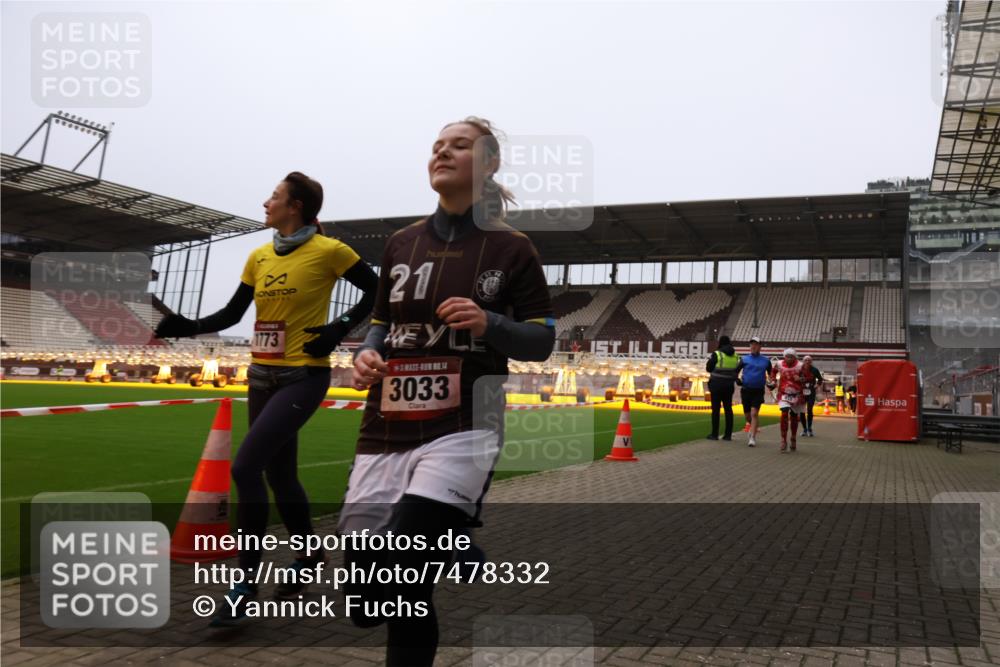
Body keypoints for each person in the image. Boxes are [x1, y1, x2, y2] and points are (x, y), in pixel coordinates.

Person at [341, 117, 556, 666]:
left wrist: (490, 324)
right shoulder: (399, 243)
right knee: (370, 597)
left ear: (488, 164)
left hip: (463, 426)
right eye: (436, 146)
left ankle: (445, 529)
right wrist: (367, 353)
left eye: (459, 146)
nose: (442, 153)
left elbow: (542, 339)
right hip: (384, 429)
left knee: (402, 569)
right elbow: (382, 324)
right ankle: (449, 539)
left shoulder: (513, 248)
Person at [154, 172, 378, 625]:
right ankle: (311, 556)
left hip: (303, 377)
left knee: (244, 468)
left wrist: (340, 329)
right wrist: (187, 325)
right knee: (281, 476)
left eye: (274, 197)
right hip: (260, 376)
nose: (266, 202)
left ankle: (244, 584)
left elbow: (376, 291)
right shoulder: (258, 256)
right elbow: (233, 313)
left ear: (295, 206)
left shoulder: (330, 251)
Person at [735, 335, 772, 447]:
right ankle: (753, 428)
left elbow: (771, 376)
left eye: (756, 344)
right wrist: (737, 379)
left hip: (758, 390)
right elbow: (735, 371)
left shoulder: (766, 361)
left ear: (760, 346)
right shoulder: (744, 359)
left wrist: (772, 384)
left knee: (754, 413)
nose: (753, 346)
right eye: (752, 344)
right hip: (746, 390)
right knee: (747, 416)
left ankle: (752, 437)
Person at [771, 348, 807, 452]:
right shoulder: (779, 364)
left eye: (791, 357)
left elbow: (808, 377)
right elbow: (773, 372)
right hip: (783, 393)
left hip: (796, 394)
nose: (789, 359)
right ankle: (783, 440)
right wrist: (773, 381)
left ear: (795, 357)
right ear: (784, 357)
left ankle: (793, 438)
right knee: (784, 413)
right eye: (787, 356)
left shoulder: (800, 366)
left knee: (794, 416)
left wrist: (800, 379)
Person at [705, 334, 739, 441]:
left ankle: (714, 434)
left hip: (716, 386)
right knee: (728, 409)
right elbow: (736, 370)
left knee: (716, 410)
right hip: (729, 386)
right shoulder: (735, 356)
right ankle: (728, 435)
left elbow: (709, 368)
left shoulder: (717, 354)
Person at [800, 355, 823, 436]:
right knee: (802, 411)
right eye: (806, 360)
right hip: (802, 392)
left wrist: (816, 385)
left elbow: (820, 379)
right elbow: (795, 378)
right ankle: (804, 429)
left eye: (809, 360)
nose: (807, 361)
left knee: (809, 410)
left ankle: (809, 428)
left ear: (811, 361)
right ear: (803, 361)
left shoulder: (814, 370)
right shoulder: (800, 369)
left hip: (811, 392)